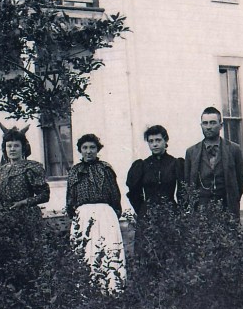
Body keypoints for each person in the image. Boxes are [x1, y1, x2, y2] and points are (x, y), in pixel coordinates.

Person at [66, 133, 126, 292]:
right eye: (85, 148)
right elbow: (70, 198)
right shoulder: (74, 172)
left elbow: (115, 194)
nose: (88, 151)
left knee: (108, 249)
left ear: (97, 149)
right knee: (86, 252)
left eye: (92, 147)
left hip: (105, 214)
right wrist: (76, 217)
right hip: (83, 215)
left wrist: (113, 213)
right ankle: (87, 291)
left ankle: (112, 289)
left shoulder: (105, 169)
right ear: (80, 150)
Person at [183, 107, 243, 222]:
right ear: (201, 125)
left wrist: (233, 198)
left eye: (212, 123)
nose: (208, 127)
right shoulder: (191, 152)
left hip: (227, 208)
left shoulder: (234, 149)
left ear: (221, 125)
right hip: (201, 210)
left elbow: (241, 179)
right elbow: (188, 182)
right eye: (205, 123)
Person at [0, 124, 50, 212]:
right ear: (5, 148)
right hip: (5, 218)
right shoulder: (0, 171)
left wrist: (24, 202)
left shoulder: (31, 167)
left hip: (27, 216)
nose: (12, 149)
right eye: (9, 146)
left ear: (23, 148)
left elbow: (44, 195)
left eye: (16, 146)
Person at [126, 124, 184, 215]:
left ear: (165, 141)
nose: (155, 144)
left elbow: (183, 191)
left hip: (171, 214)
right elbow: (134, 192)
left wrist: (180, 211)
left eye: (158, 140)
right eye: (151, 141)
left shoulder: (175, 163)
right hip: (148, 214)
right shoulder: (142, 165)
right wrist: (142, 211)